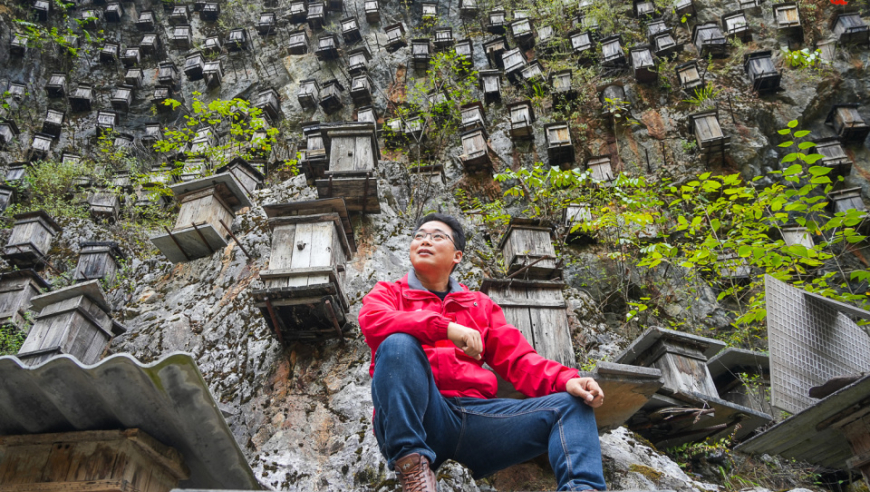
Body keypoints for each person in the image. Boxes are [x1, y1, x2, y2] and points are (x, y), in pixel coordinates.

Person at [359, 213, 607, 492]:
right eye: (419, 236)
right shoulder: (389, 293)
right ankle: (413, 471)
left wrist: (566, 380)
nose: (425, 241)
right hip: (422, 420)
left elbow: (518, 359)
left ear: (457, 256)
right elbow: (373, 322)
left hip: (477, 422)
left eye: (437, 236)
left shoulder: (478, 304)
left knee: (573, 405)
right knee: (397, 344)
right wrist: (447, 328)